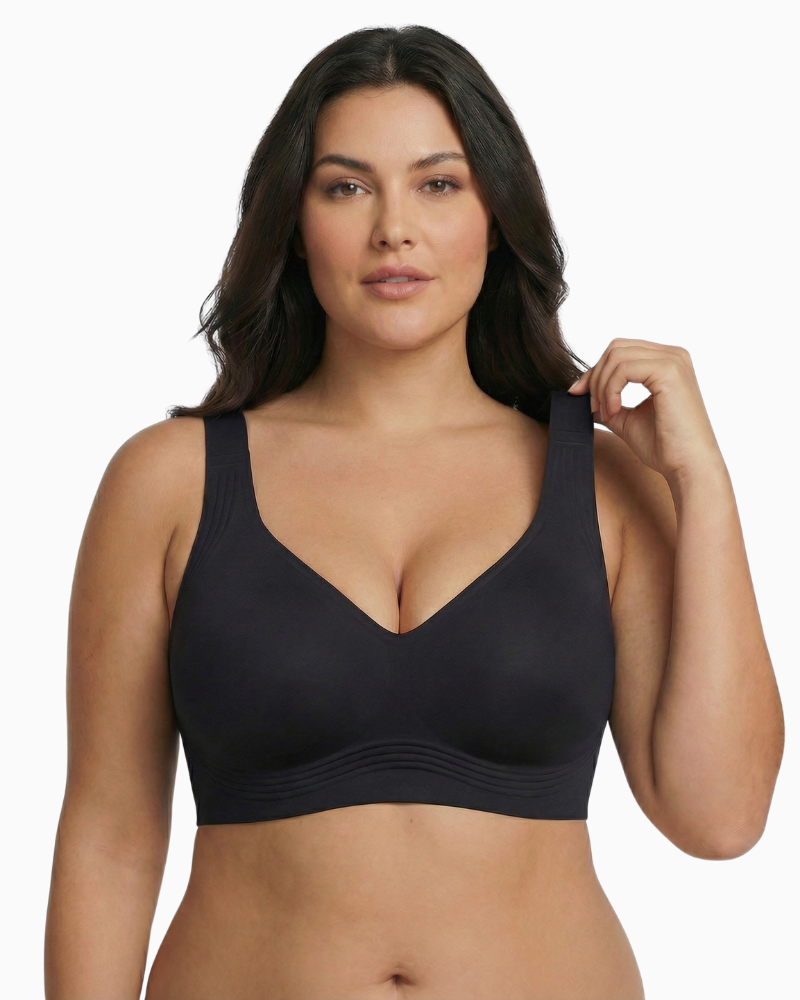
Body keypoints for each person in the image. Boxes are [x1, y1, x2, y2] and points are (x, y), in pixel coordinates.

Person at [44, 24, 784, 1000]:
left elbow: (719, 819)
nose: (394, 227)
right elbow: (109, 838)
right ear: (294, 221)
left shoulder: (607, 485)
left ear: (496, 215)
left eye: (438, 183)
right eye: (346, 187)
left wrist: (702, 482)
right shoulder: (167, 482)